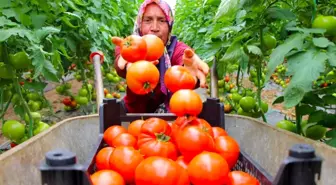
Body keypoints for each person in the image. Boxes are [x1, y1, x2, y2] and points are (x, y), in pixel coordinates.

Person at [112, 0, 209, 113]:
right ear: (140, 24)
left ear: (169, 26)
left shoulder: (175, 47)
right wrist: (131, 65)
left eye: (162, 20)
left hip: (172, 116)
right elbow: (121, 63)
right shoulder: (130, 45)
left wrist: (188, 73)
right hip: (134, 114)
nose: (154, 27)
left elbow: (185, 58)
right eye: (148, 20)